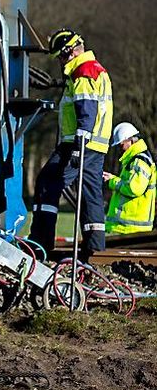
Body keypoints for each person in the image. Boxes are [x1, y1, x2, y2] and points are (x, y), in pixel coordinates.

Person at [28, 29, 112, 260]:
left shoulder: (83, 74)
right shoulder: (94, 70)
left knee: (47, 183)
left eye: (61, 57)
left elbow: (87, 112)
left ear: (70, 52)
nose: (60, 62)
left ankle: (40, 242)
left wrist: (78, 146)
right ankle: (93, 248)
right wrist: (56, 82)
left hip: (78, 143)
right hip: (97, 146)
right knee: (90, 194)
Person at [104, 122, 156, 235]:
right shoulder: (134, 161)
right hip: (126, 228)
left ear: (130, 140)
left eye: (121, 145)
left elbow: (134, 188)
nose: (120, 148)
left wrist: (112, 181)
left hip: (131, 229)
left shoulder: (140, 162)